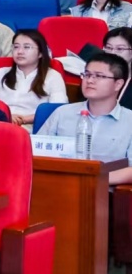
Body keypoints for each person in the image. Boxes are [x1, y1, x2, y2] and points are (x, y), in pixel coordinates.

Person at [37, 53, 132, 183]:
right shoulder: (62, 113)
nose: (90, 80)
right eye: (87, 74)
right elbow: (36, 153)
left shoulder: (129, 121)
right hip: (58, 186)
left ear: (118, 84)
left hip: (106, 190)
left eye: (99, 76)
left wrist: (93, 181)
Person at [0, 29, 68, 126]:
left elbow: (57, 109)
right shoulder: (2, 72)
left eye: (27, 47)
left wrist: (23, 119)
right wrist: (6, 116)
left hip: (33, 127)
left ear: (40, 53)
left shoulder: (53, 76)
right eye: (16, 47)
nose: (20, 52)